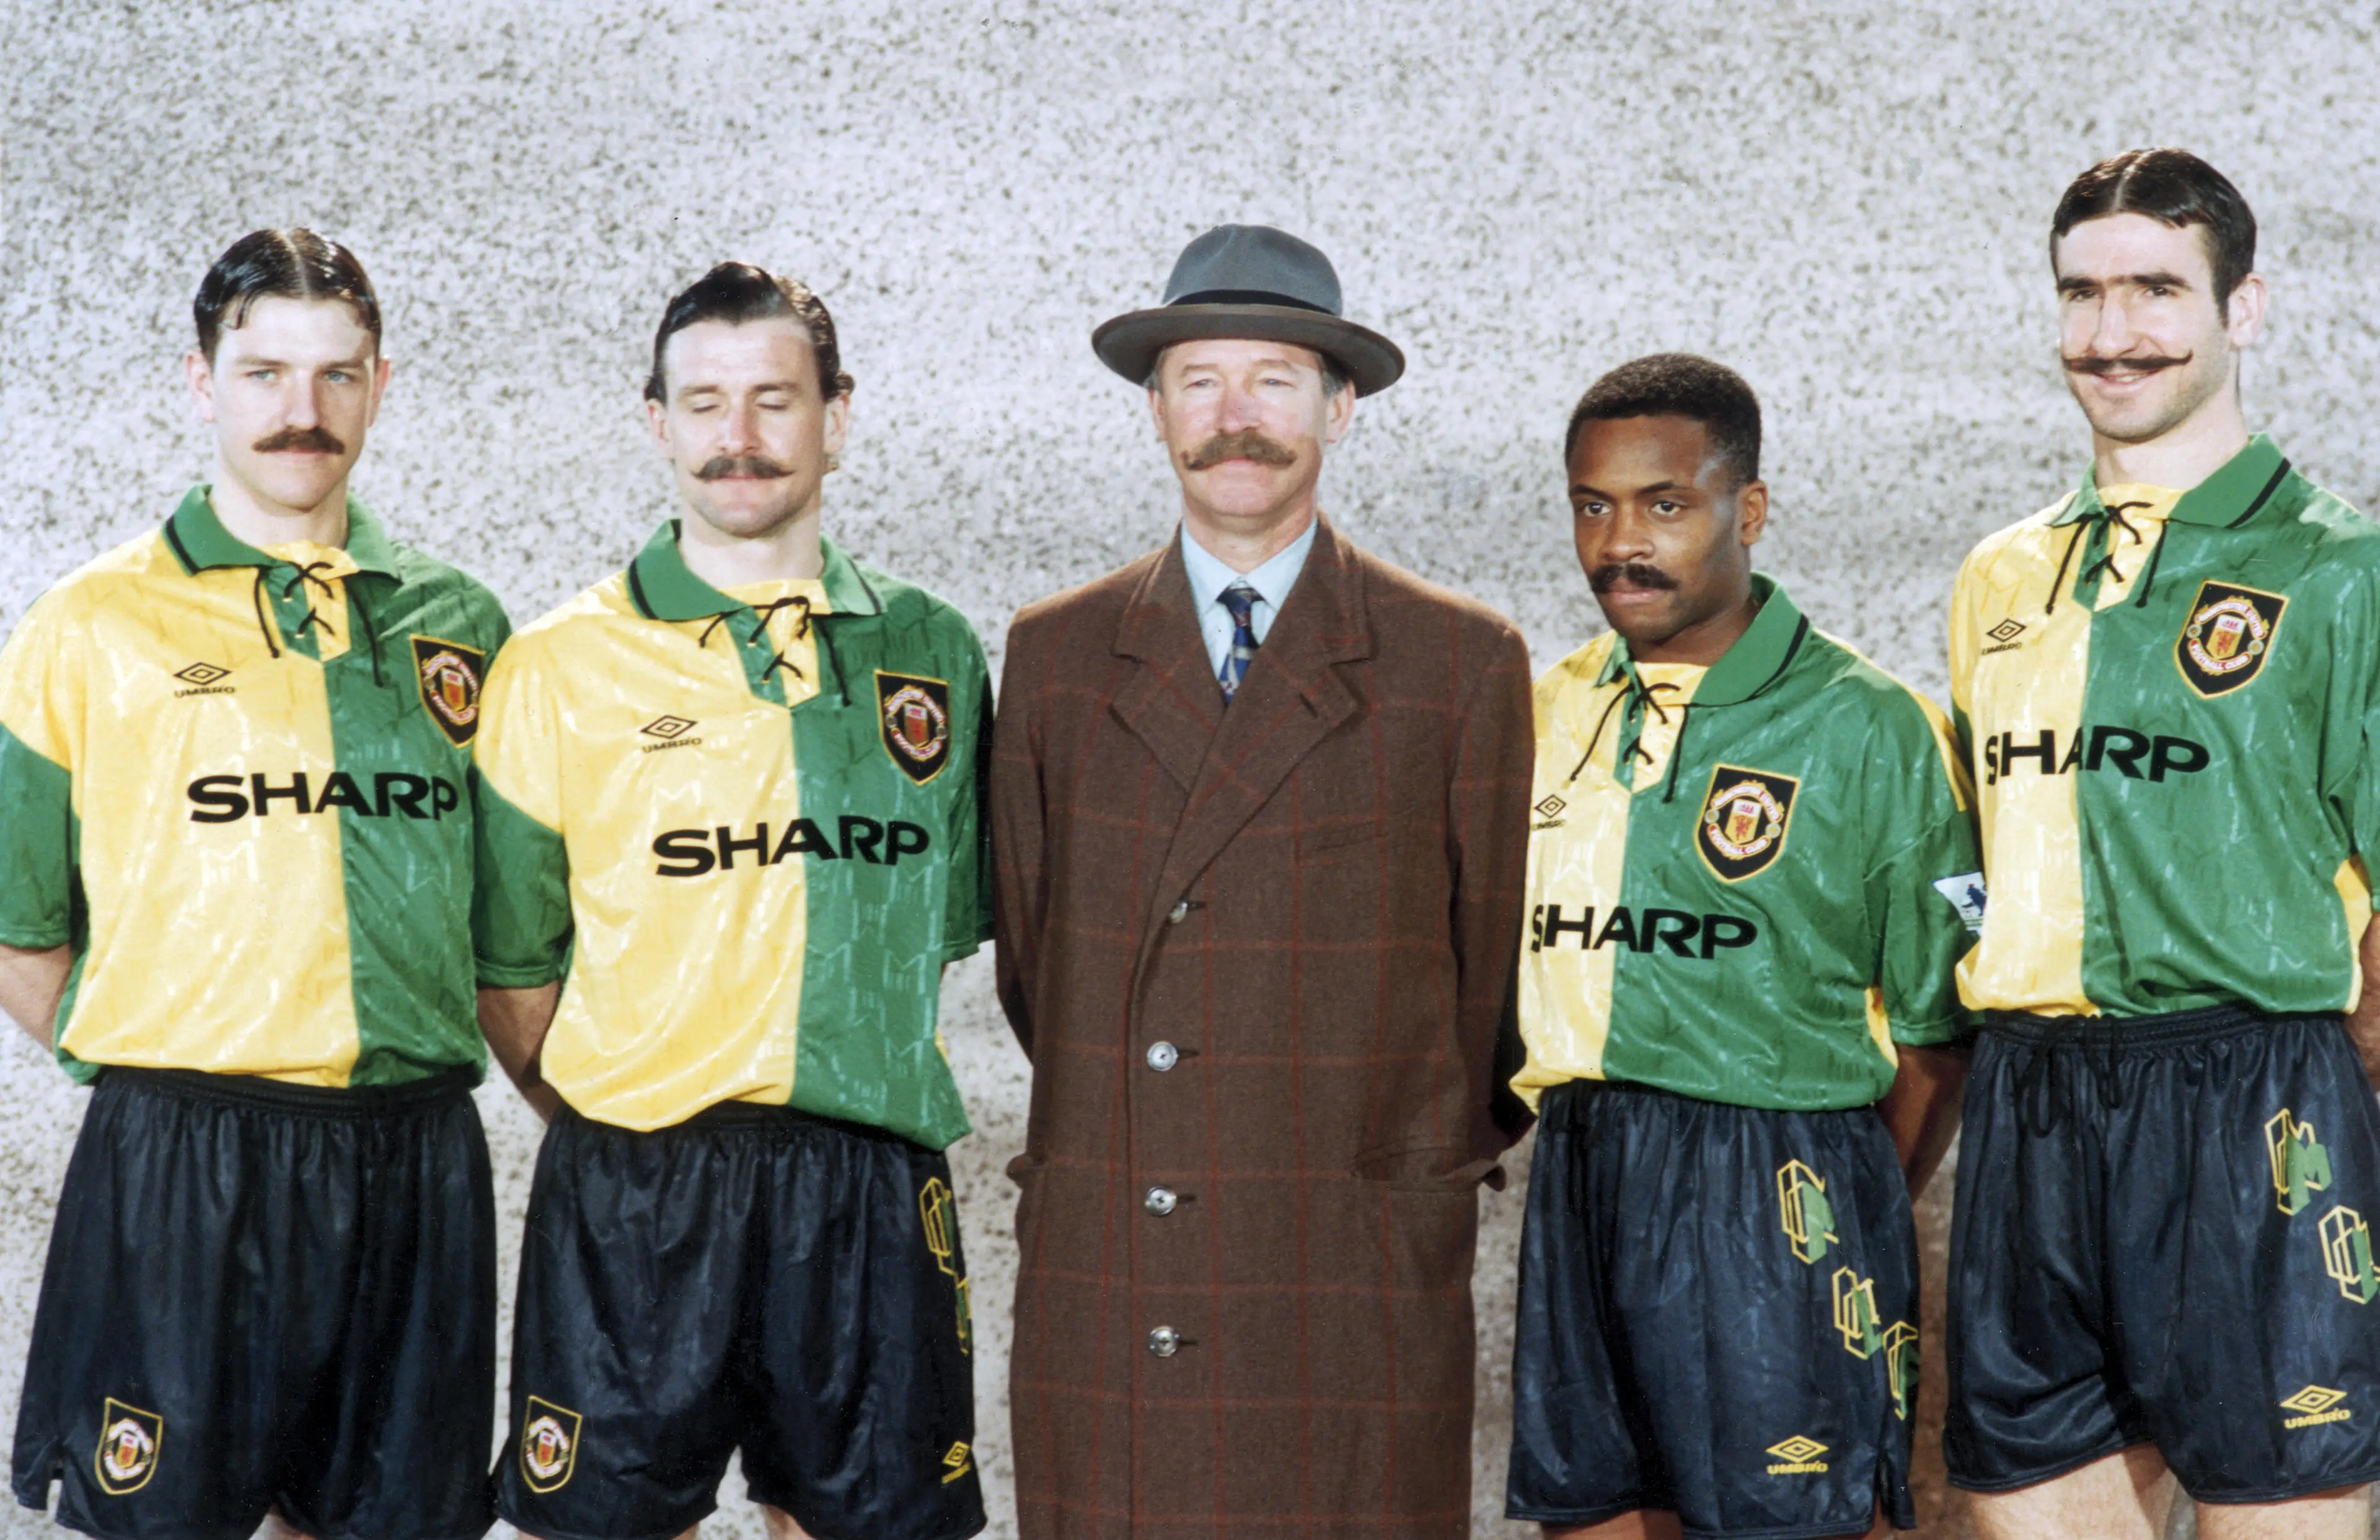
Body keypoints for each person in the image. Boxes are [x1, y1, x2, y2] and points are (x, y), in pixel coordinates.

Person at [990, 223, 1536, 1536]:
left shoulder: (1458, 661)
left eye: (1276, 381)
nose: (1237, 419)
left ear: (1341, 410)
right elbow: (1036, 968)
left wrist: (1374, 1160)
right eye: (1200, 381)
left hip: (1343, 1261)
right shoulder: (1055, 658)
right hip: (1126, 1246)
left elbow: (1493, 993)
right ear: (1156, 410)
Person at [0, 229, 509, 1540]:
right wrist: (167, 1064)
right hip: (187, 1152)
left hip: (413, 1152)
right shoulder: (91, 621)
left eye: (338, 376)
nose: (303, 412)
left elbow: (513, 926)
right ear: (201, 379)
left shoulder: (461, 623)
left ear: (381, 385)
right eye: (266, 372)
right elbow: (16, 924)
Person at [471, 262, 990, 1540]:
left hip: (868, 1186)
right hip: (638, 1184)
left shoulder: (933, 648)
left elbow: (951, 928)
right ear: (657, 422)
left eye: (774, 400)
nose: (738, 439)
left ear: (838, 417)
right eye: (704, 405)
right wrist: (627, 1111)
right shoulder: (557, 664)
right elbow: (513, 967)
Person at [1945, 147, 2380, 1540]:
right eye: (2082, 293)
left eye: (2155, 289)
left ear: (2242, 309)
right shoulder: (2000, 575)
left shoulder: (2337, 569)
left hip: (2256, 1095)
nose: (2113, 332)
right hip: (2030, 1109)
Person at [1503, 353, 1979, 1540]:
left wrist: (1832, 1207)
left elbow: (1939, 1033)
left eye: (1666, 505)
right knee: (1596, 1515)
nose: (1623, 541)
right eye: (1592, 505)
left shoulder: (1875, 726)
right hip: (1582, 1168)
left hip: (1780, 1178)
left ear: (1747, 510)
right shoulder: (1544, 706)